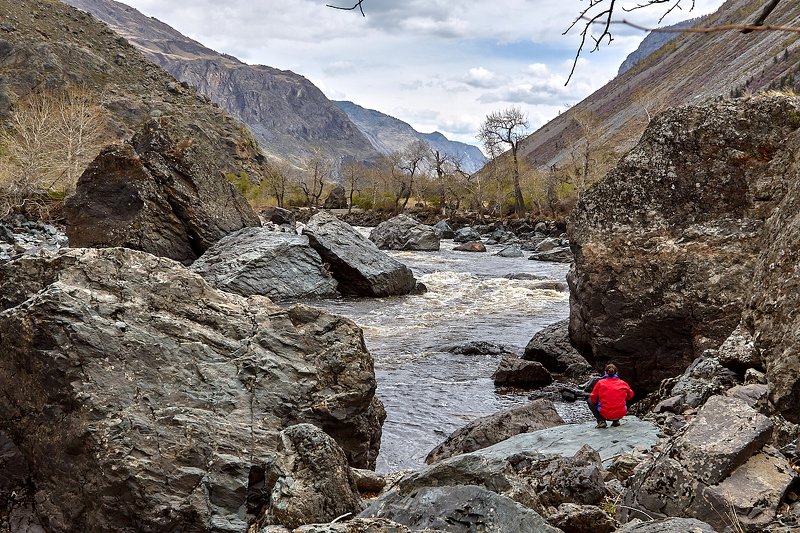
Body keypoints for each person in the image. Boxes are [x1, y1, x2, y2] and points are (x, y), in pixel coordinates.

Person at [588, 363, 634, 429]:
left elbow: (593, 397)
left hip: (605, 413)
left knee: (589, 400)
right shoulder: (623, 383)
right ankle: (616, 421)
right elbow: (631, 395)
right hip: (620, 413)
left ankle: (601, 421)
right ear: (616, 373)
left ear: (605, 372)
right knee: (626, 398)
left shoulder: (600, 383)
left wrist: (599, 402)